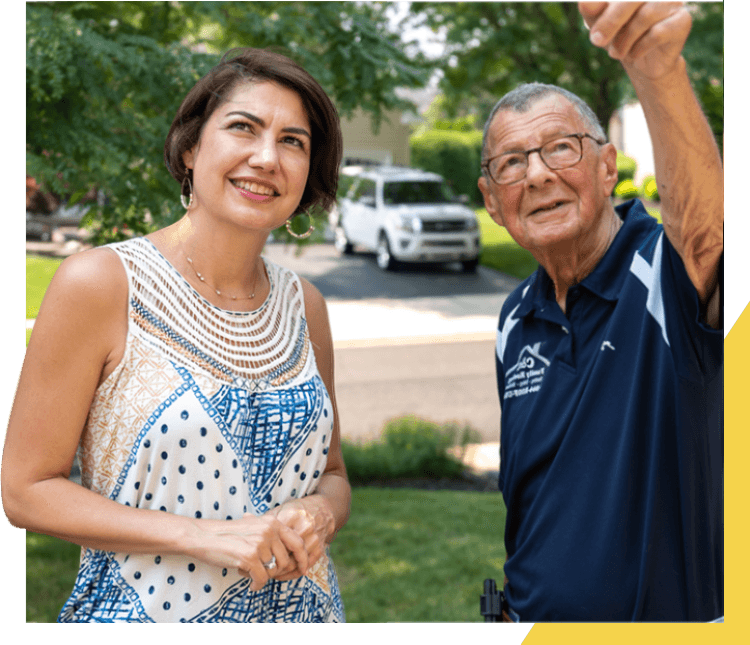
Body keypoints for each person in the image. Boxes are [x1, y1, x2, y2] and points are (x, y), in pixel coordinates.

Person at [2, 48, 350, 623]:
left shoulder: (304, 305)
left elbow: (333, 475)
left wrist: (319, 514)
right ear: (191, 147)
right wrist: (203, 537)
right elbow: (25, 489)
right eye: (243, 127)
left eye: (293, 141)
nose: (267, 157)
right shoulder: (101, 283)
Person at [478, 2, 722, 621]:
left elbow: (709, 238)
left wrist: (655, 68)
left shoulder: (662, 273)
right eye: (512, 162)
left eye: (561, 148)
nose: (536, 175)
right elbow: (531, 495)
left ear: (607, 166)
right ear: (492, 201)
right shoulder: (514, 321)